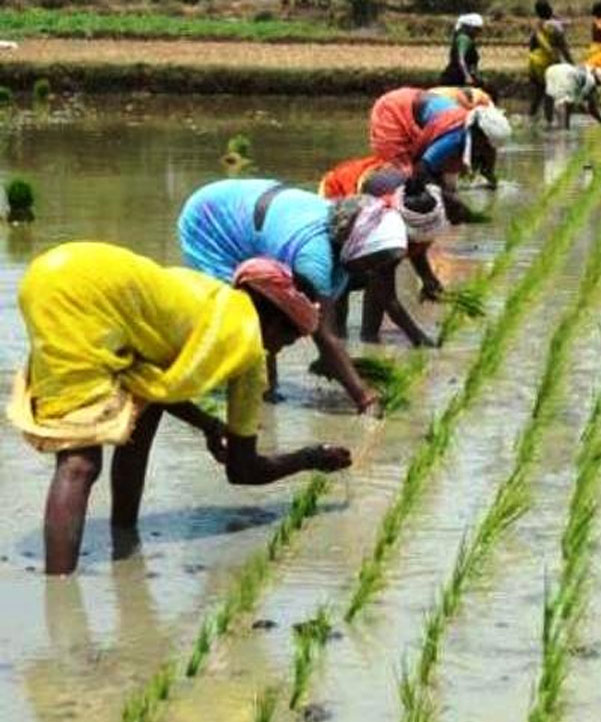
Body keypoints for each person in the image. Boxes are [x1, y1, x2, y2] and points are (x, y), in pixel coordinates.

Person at [7, 242, 352, 575]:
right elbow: (242, 470)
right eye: (285, 341)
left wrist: (207, 424)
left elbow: (161, 389)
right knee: (80, 461)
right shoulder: (246, 345)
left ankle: (123, 536)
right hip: (76, 296)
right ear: (274, 323)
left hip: (55, 271)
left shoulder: (209, 299)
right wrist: (310, 459)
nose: (276, 351)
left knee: (138, 428)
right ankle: (60, 595)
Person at [177, 179, 437, 410]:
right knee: (247, 313)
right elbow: (322, 332)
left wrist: (334, 361)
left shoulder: (346, 235)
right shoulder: (315, 258)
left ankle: (266, 386)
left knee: (269, 316)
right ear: (357, 248)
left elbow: (324, 317)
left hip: (249, 208)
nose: (374, 271)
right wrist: (364, 397)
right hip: (212, 220)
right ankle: (245, 385)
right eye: (372, 261)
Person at [368, 87, 511, 215]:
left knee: (441, 183)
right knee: (403, 179)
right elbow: (421, 171)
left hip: (416, 106)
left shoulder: (476, 128)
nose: (484, 151)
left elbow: (486, 161)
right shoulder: (454, 136)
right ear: (479, 137)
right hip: (394, 111)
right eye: (484, 147)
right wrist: (456, 206)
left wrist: (492, 181)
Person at [318, 160, 447, 301]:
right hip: (341, 192)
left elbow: (415, 247)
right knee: (343, 278)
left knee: (377, 277)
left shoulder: (421, 203)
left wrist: (427, 277)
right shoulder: (381, 223)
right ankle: (336, 320)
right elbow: (387, 297)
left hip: (373, 186)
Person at [528, 0, 574, 124]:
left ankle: (531, 120)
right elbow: (564, 48)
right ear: (550, 9)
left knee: (538, 94)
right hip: (548, 63)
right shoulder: (556, 27)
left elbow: (531, 46)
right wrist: (571, 64)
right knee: (550, 94)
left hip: (534, 62)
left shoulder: (537, 26)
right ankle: (549, 123)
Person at [544, 63, 601, 129]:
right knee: (564, 103)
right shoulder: (591, 81)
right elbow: (592, 108)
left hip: (553, 70)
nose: (596, 87)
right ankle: (563, 131)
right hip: (564, 76)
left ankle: (549, 122)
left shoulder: (585, 68)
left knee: (552, 96)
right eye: (598, 84)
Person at [440, 13, 485, 89]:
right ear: (469, 28)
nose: (478, 32)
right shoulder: (464, 39)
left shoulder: (465, 39)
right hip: (457, 78)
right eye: (477, 29)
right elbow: (461, 59)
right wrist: (467, 76)